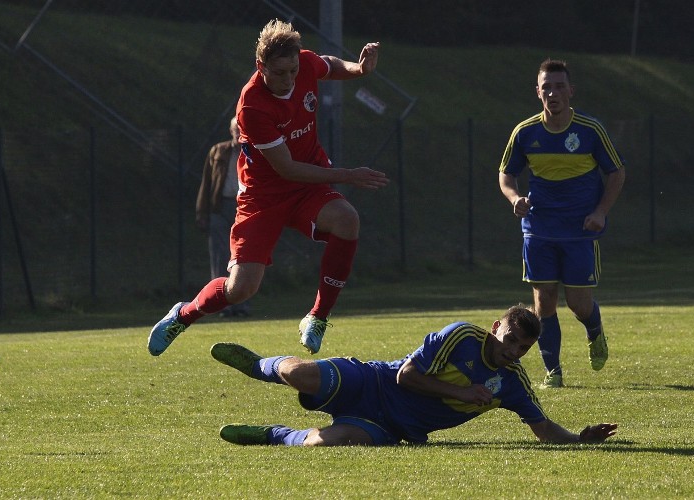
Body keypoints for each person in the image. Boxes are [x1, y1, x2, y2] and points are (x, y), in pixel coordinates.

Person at [148, 19, 389, 356]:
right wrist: (349, 174)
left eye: (292, 70)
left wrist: (358, 69)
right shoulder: (252, 105)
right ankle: (183, 314)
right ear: (261, 67)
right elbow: (287, 169)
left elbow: (328, 65)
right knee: (241, 289)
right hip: (264, 197)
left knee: (347, 219)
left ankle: (317, 317)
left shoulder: (302, 62)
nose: (288, 79)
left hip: (307, 185)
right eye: (279, 73)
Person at [210, 305, 618, 446]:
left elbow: (543, 429)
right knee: (300, 374)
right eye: (510, 339)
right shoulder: (459, 336)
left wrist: (580, 439)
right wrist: (461, 388)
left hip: (389, 426)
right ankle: (260, 365)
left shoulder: (511, 383)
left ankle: (273, 434)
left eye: (522, 349)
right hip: (374, 381)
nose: (513, 351)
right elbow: (406, 376)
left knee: (321, 443)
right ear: (496, 326)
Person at [498, 58, 626, 389]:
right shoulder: (525, 132)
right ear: (537, 92)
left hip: (580, 230)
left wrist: (601, 211)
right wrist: (515, 199)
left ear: (571, 90)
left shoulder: (589, 130)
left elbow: (616, 171)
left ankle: (595, 331)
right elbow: (506, 173)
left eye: (559, 86)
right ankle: (552, 371)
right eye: (546, 87)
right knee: (544, 303)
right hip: (539, 228)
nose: (553, 93)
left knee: (580, 304)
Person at [195, 117, 249, 318]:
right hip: (220, 206)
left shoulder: (254, 152)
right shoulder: (219, 151)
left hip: (244, 208)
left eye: (241, 129)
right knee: (219, 255)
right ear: (230, 130)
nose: (238, 132)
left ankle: (241, 304)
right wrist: (202, 212)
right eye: (235, 129)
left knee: (243, 257)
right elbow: (206, 183)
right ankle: (220, 304)